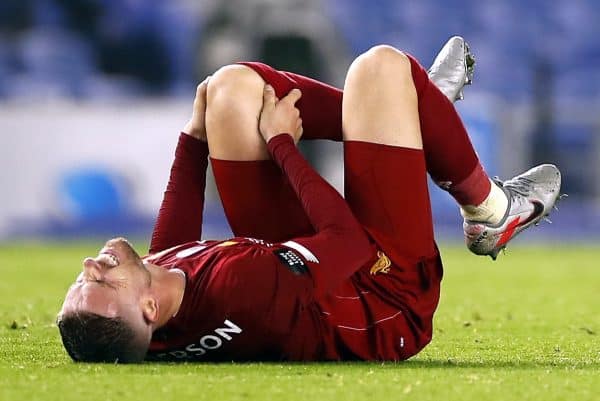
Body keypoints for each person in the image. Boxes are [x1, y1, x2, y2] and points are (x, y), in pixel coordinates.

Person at [57, 37, 562, 363]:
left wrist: (193, 141)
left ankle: (412, 113)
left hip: (306, 274)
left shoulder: (152, 314)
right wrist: (281, 145)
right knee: (380, 67)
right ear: (146, 307)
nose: (90, 266)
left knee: (227, 91)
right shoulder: (238, 289)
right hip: (381, 293)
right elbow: (348, 244)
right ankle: (491, 211)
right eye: (103, 282)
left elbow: (171, 252)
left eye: (82, 281)